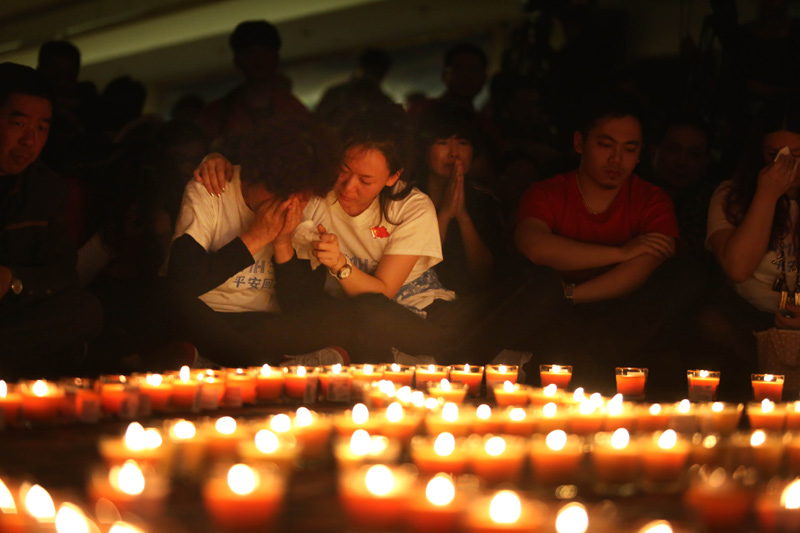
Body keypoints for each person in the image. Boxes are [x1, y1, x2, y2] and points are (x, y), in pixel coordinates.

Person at [196, 106, 468, 364]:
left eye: (365, 180)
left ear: (392, 176)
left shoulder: (411, 207)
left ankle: (436, 356)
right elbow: (299, 299)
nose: (349, 187)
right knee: (331, 318)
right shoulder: (317, 196)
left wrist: (339, 264)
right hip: (349, 316)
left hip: (413, 315)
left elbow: (382, 294)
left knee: (369, 312)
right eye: (344, 171)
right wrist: (215, 159)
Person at [507, 92, 701, 390]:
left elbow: (645, 265)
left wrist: (570, 294)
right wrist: (620, 252)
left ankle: (587, 362)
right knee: (533, 282)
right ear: (579, 143)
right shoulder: (548, 193)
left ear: (640, 155)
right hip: (552, 311)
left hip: (618, 315)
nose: (616, 160)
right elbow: (534, 247)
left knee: (682, 276)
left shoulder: (652, 199)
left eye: (629, 149)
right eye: (605, 145)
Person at [165, 119, 354, 368]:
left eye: (301, 195)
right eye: (281, 194)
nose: (291, 204)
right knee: (169, 297)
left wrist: (282, 241)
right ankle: (271, 363)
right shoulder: (212, 187)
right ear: (251, 177)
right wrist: (255, 236)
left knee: (342, 314)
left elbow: (301, 304)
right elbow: (183, 280)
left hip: (269, 325)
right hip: (211, 318)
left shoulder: (310, 201)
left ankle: (221, 361)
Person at [0, 62, 102, 378]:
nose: (29, 141)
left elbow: (61, 274)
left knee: (84, 312)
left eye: (41, 128)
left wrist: (13, 280)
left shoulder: (46, 189)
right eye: (18, 124)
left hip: (11, 313)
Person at [706, 95, 800, 361]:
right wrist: (767, 195)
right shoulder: (731, 195)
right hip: (749, 316)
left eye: (797, 155)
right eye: (774, 154)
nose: (786, 164)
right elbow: (738, 269)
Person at [415, 103, 507, 294]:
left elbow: (485, 276)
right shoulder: (405, 199)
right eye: (443, 142)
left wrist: (463, 216)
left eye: (463, 143)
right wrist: (444, 216)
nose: (454, 152)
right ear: (424, 150)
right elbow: (413, 274)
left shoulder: (485, 202)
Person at [196, 20, 309, 155]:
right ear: (237, 60)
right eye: (251, 53)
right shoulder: (215, 115)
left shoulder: (295, 110)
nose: (259, 60)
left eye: (265, 52)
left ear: (275, 58)